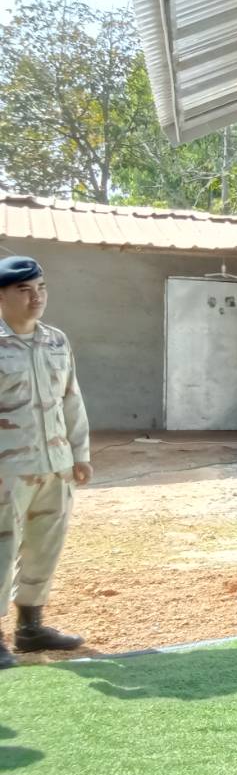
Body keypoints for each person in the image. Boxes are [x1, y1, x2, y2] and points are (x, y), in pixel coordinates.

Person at [0, 256, 91, 669]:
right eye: (24, 290)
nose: (36, 297)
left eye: (42, 288)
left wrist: (79, 453)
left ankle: (30, 627)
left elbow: (71, 399)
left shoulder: (56, 341)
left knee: (45, 546)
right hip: (7, 468)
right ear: (2, 295)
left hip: (55, 463)